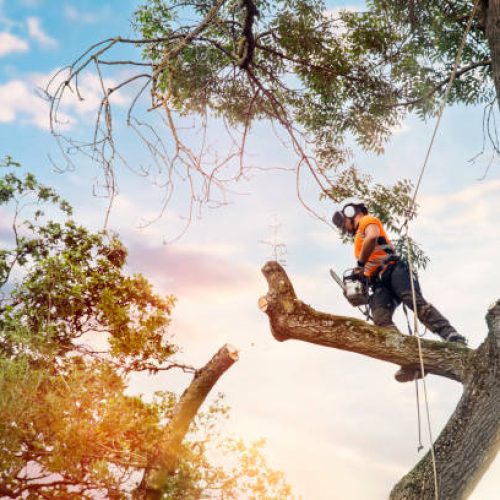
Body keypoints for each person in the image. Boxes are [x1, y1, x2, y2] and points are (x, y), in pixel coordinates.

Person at [332, 202, 467, 345]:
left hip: (393, 270)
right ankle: (402, 347)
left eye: (343, 224)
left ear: (350, 213)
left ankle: (450, 334)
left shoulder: (367, 220)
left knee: (413, 300)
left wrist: (360, 265)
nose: (344, 229)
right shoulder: (357, 240)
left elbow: (372, 237)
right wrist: (359, 283)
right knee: (380, 319)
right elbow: (369, 263)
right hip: (379, 282)